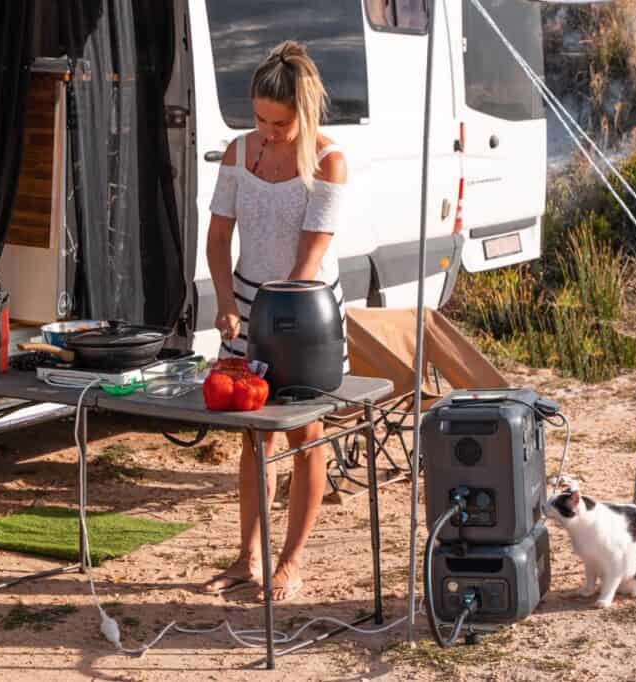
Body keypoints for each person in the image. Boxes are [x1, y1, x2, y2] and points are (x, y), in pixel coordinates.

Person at [202, 40, 347, 602]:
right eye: (259, 119)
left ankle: (291, 561)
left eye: (279, 124)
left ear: (304, 115)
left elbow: (307, 261)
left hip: (303, 310)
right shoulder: (240, 154)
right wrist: (224, 303)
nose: (265, 132)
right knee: (253, 437)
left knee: (307, 435)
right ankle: (247, 559)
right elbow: (218, 237)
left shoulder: (328, 162)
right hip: (247, 299)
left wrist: (270, 321)